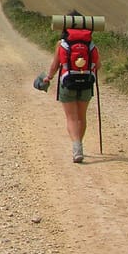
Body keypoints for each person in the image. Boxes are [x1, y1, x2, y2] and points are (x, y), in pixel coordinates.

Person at [41, 14, 100, 163]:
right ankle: (79, 145)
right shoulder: (90, 44)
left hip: (67, 84)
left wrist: (49, 77)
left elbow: (55, 65)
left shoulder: (62, 44)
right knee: (81, 117)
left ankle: (76, 148)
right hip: (86, 84)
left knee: (71, 118)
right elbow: (98, 65)